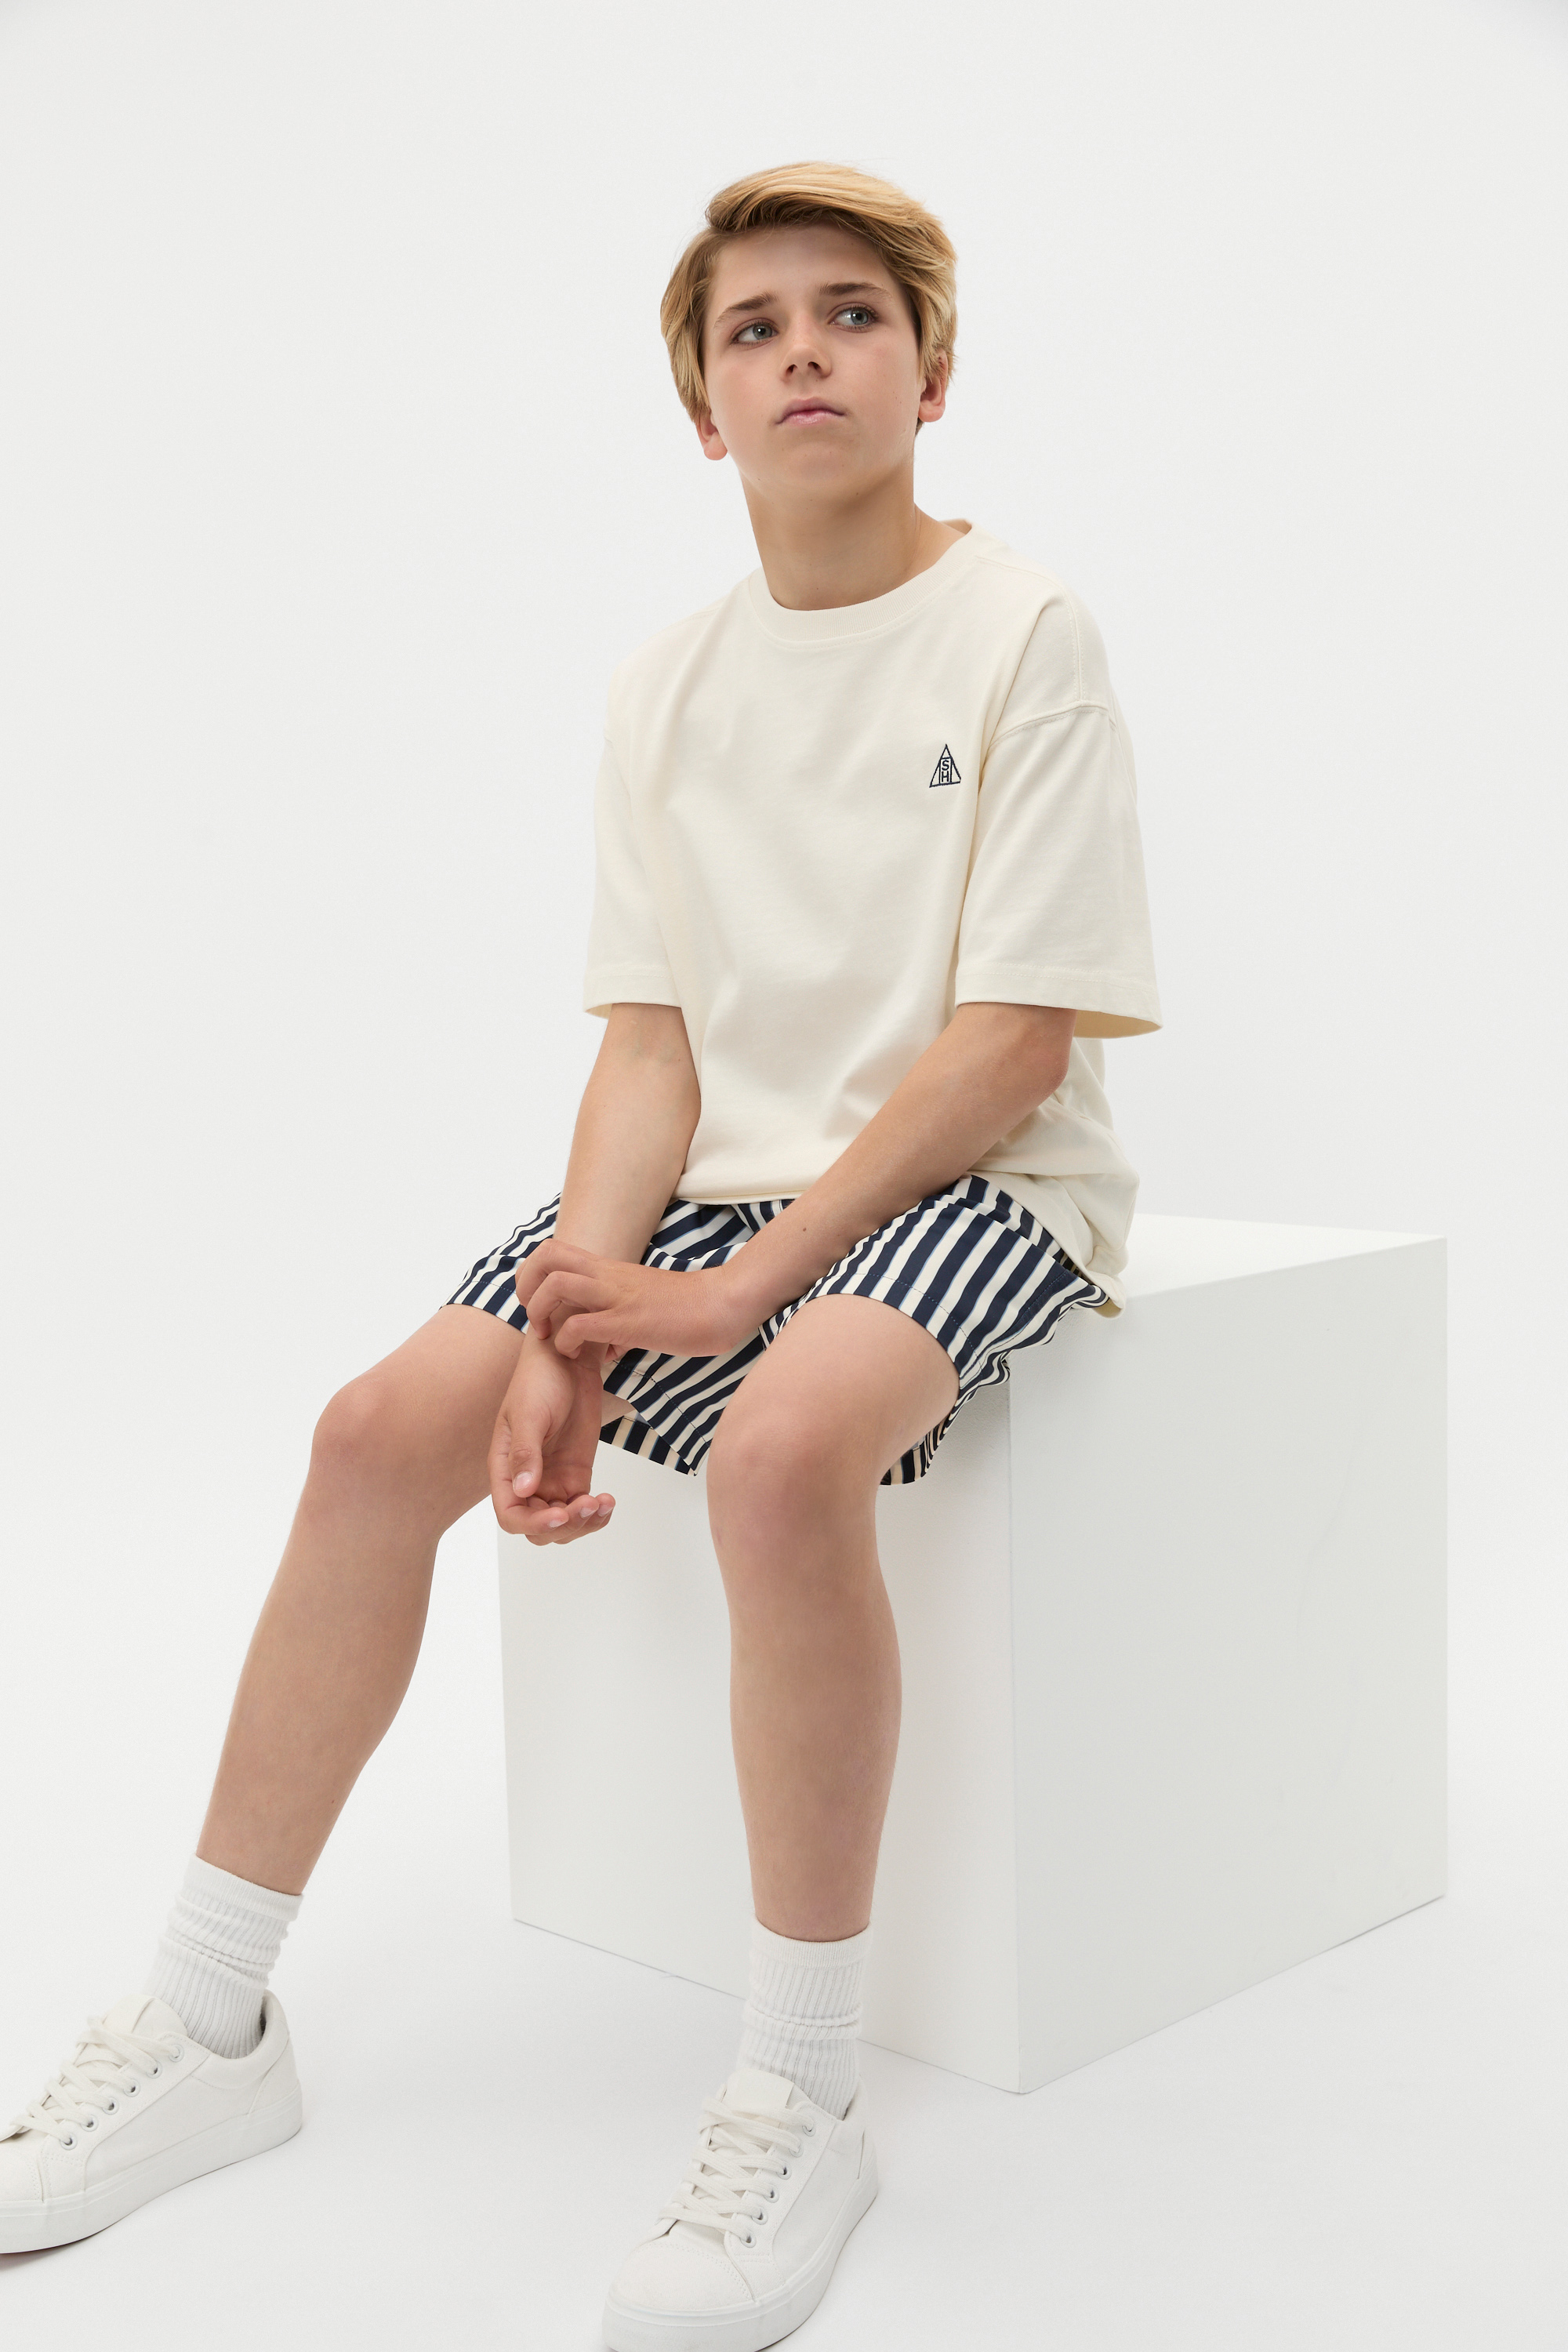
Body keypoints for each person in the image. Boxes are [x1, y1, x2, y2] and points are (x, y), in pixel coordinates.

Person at [0, 162, 1160, 2350]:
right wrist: (572, 1309)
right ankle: (207, 2024)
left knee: (782, 1451)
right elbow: (650, 1047)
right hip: (716, 1180)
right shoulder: (664, 685)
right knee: (375, 1431)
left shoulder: (1027, 633)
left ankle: (801, 2098)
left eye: (851, 314)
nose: (803, 354)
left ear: (932, 371)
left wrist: (734, 1299)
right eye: (753, 329)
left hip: (978, 1180)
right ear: (703, 409)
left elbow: (1014, 1042)